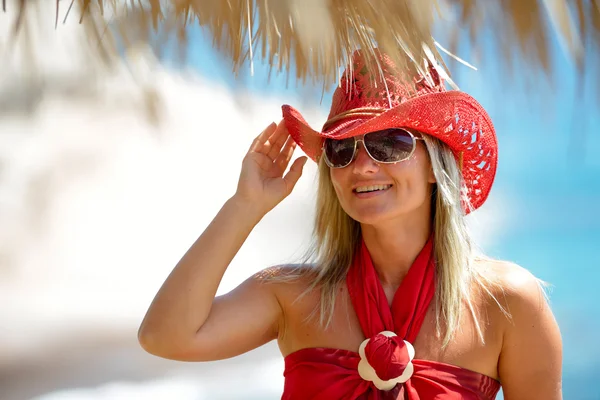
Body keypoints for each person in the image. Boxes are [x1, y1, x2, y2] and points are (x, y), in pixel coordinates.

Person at [138, 50, 563, 399]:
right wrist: (245, 205)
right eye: (341, 150)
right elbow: (164, 336)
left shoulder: (505, 303)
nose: (361, 166)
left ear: (436, 164)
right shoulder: (294, 296)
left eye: (388, 143)